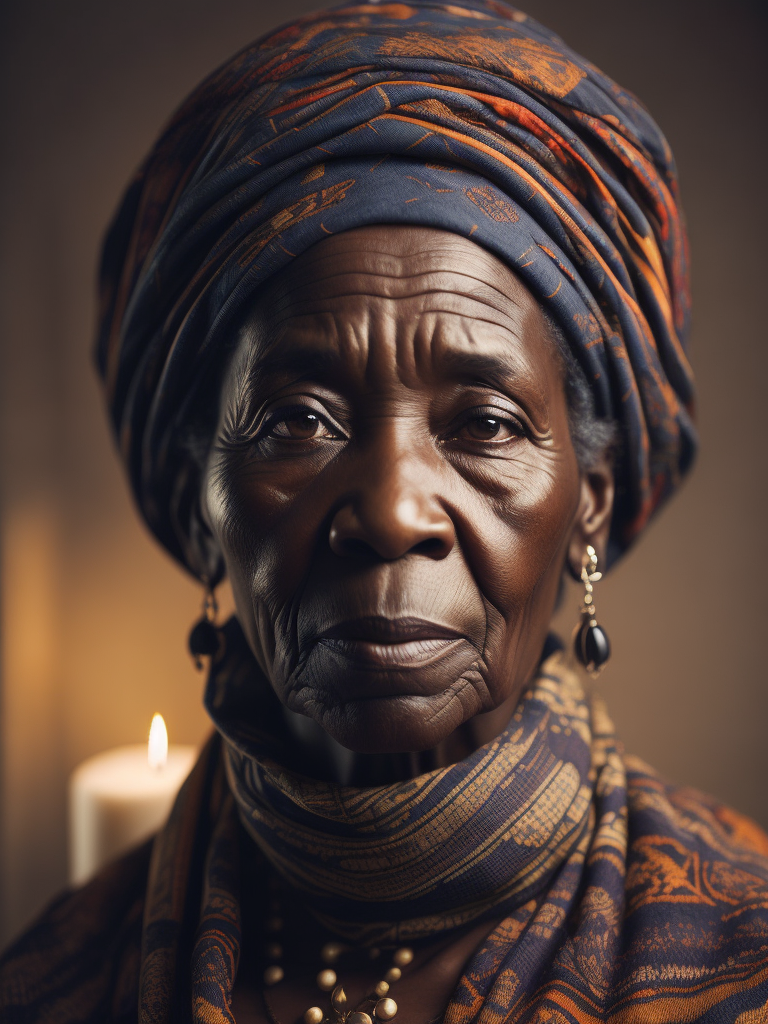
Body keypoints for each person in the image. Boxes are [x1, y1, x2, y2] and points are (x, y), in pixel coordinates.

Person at [2, 1, 768, 1021]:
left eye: (488, 423)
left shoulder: (745, 955)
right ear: (200, 508)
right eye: (298, 419)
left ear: (591, 500)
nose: (394, 508)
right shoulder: (54, 982)